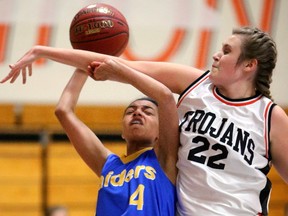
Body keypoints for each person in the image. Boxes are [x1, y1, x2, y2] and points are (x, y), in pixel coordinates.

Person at [1, 26, 288, 215]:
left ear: (249, 65)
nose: (215, 54)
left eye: (226, 51)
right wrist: (42, 51)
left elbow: (159, 95)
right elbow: (118, 67)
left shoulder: (269, 116)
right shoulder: (194, 85)